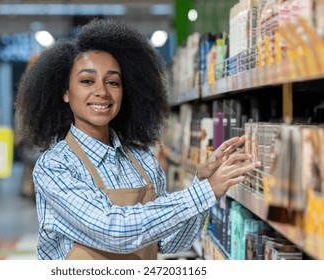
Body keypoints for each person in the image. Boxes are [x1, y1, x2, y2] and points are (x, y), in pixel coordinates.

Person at [15, 18, 260, 260]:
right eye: (87, 81)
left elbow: (169, 242)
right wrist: (203, 193)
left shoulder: (142, 161)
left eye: (113, 82)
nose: (102, 91)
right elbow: (113, 231)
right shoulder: (54, 167)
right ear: (65, 92)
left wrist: (203, 185)